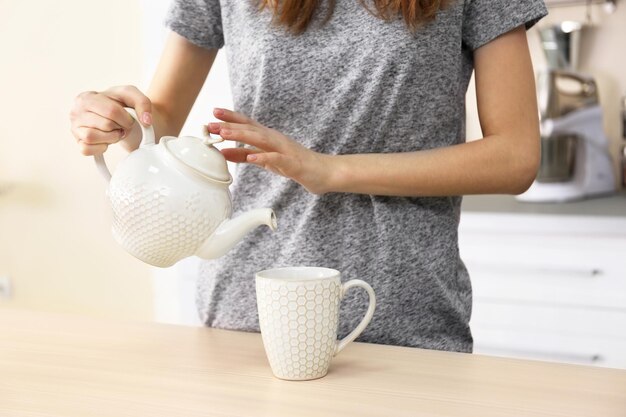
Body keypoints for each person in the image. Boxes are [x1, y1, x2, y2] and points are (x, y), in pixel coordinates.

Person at [70, 0, 547, 353]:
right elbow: (161, 122)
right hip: (248, 310)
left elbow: (515, 157)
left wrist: (330, 170)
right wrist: (117, 122)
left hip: (403, 315)